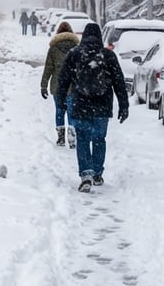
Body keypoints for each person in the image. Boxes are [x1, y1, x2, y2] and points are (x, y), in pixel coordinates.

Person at [55, 23, 129, 192]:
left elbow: (63, 80)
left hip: (81, 103)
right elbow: (119, 82)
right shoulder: (108, 55)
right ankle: (97, 172)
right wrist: (124, 106)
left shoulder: (74, 54)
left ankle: (86, 174)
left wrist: (61, 101)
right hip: (103, 106)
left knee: (82, 139)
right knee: (99, 139)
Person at [40, 21, 80, 146]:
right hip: (73, 86)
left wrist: (43, 85)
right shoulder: (77, 48)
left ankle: (61, 138)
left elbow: (48, 68)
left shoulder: (53, 48)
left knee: (59, 111)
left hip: (57, 86)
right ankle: (72, 139)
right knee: (72, 112)